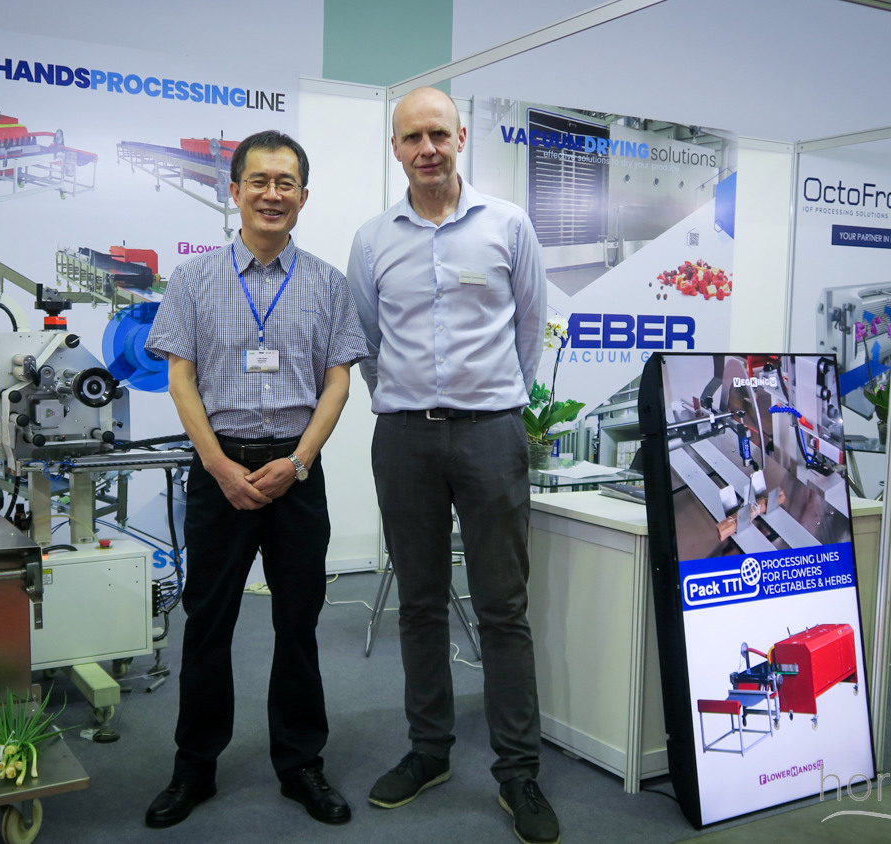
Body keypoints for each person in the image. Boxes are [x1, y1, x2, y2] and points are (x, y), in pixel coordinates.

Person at [346, 87, 557, 844]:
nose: (427, 148)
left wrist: (490, 401)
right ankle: (428, 751)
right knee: (420, 603)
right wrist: (411, 400)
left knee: (503, 608)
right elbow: (368, 340)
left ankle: (518, 771)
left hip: (491, 435)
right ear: (396, 149)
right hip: (404, 438)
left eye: (438, 133)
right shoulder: (373, 239)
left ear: (461, 136)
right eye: (413, 138)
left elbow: (529, 328)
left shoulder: (508, 225)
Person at [143, 129, 369, 829]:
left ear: (303, 196)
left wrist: (298, 462)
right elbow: (180, 378)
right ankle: (195, 766)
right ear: (235, 190)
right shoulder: (193, 279)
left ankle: (301, 763)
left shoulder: (328, 284)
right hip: (220, 470)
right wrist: (217, 464)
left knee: (298, 623)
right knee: (208, 622)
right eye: (260, 181)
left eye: (286, 183)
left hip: (296, 474)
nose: (273, 194)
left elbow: (338, 382)